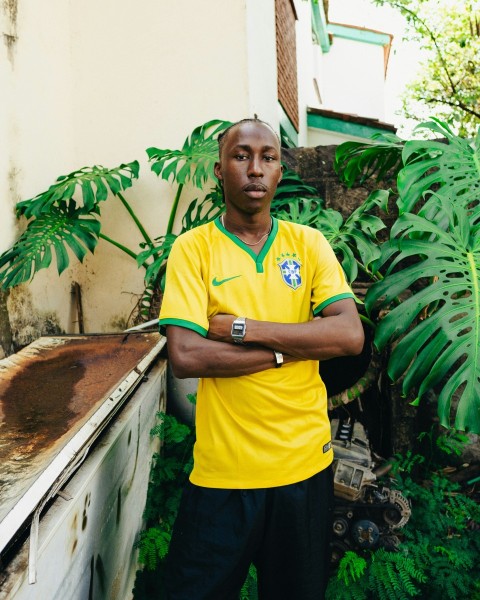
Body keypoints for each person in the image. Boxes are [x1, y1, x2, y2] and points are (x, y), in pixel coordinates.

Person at [158, 118, 364, 600]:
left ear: (280, 170)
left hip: (303, 470)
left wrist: (242, 330)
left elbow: (349, 334)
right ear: (219, 169)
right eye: (241, 155)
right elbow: (186, 354)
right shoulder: (194, 250)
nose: (255, 168)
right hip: (222, 474)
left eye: (268, 157)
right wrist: (288, 349)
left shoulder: (308, 244)